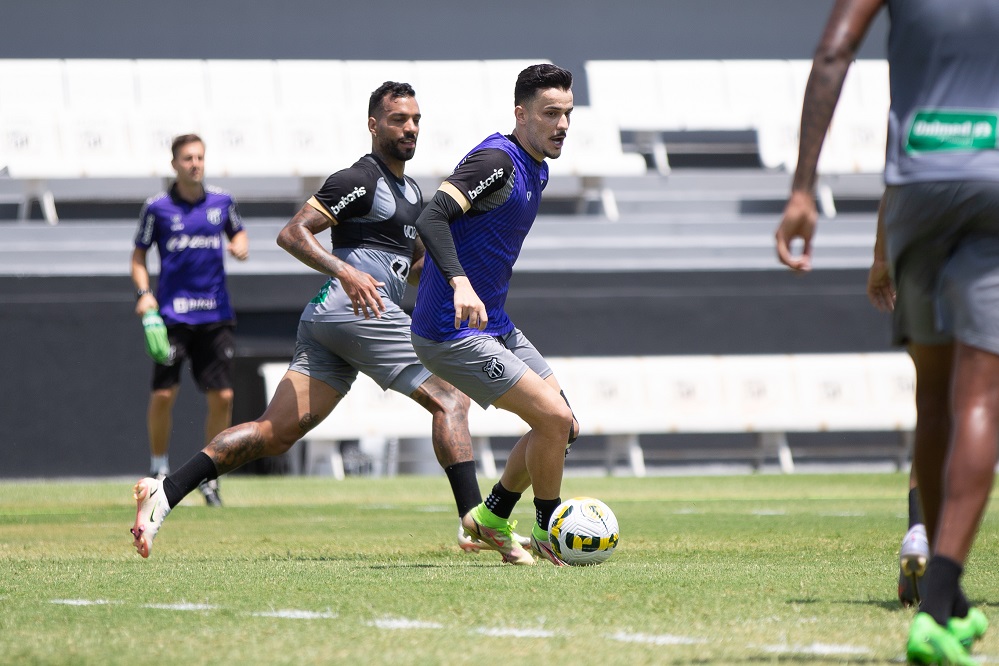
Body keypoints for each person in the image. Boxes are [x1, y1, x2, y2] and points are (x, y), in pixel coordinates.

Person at [130, 82, 528, 563]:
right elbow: (291, 233)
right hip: (355, 306)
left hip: (332, 320)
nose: (410, 128)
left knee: (270, 434)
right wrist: (346, 270)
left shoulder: (413, 190)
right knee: (450, 397)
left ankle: (165, 492)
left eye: (416, 119)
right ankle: (473, 521)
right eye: (399, 119)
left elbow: (419, 262)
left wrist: (466, 275)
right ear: (373, 124)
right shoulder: (358, 178)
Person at [775, 1, 994, 662]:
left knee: (933, 396)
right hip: (993, 179)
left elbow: (832, 54)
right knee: (979, 398)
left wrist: (803, 188)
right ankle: (938, 603)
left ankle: (937, 582)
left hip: (919, 182)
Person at [411, 63, 579, 566]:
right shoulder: (495, 162)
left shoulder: (539, 167)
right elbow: (431, 215)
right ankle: (549, 530)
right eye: (551, 113)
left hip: (494, 324)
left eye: (568, 115)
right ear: (520, 114)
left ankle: (490, 516)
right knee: (552, 418)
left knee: (563, 426)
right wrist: (459, 282)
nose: (562, 125)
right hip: (449, 329)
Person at [131, 133, 249, 507]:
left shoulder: (222, 202)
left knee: (223, 395)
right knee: (164, 394)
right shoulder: (157, 207)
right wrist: (144, 294)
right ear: (174, 164)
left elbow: (239, 232)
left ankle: (208, 476)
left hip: (215, 315)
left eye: (199, 157)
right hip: (172, 316)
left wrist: (241, 244)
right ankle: (160, 468)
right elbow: (138, 257)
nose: (195, 164)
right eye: (187, 158)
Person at [867, 196, 930, 610]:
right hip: (984, 239)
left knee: (936, 400)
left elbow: (896, 177)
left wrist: (879, 256)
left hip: (923, 240)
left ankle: (918, 530)